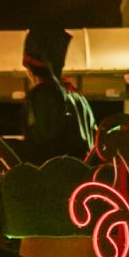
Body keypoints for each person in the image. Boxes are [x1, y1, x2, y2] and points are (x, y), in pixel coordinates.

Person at [16, 23, 96, 165]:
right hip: (83, 172)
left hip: (57, 174)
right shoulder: (75, 94)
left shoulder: (43, 95)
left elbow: (41, 146)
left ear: (29, 68)